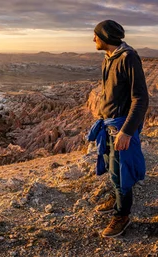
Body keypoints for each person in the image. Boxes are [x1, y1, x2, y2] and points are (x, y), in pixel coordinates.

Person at [87, 20, 149, 238]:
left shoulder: (128, 58)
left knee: (121, 171)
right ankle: (117, 197)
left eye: (95, 35)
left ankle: (122, 215)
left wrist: (127, 132)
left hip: (120, 127)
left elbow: (140, 98)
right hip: (109, 125)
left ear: (104, 37)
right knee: (111, 166)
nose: (93, 39)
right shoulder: (109, 58)